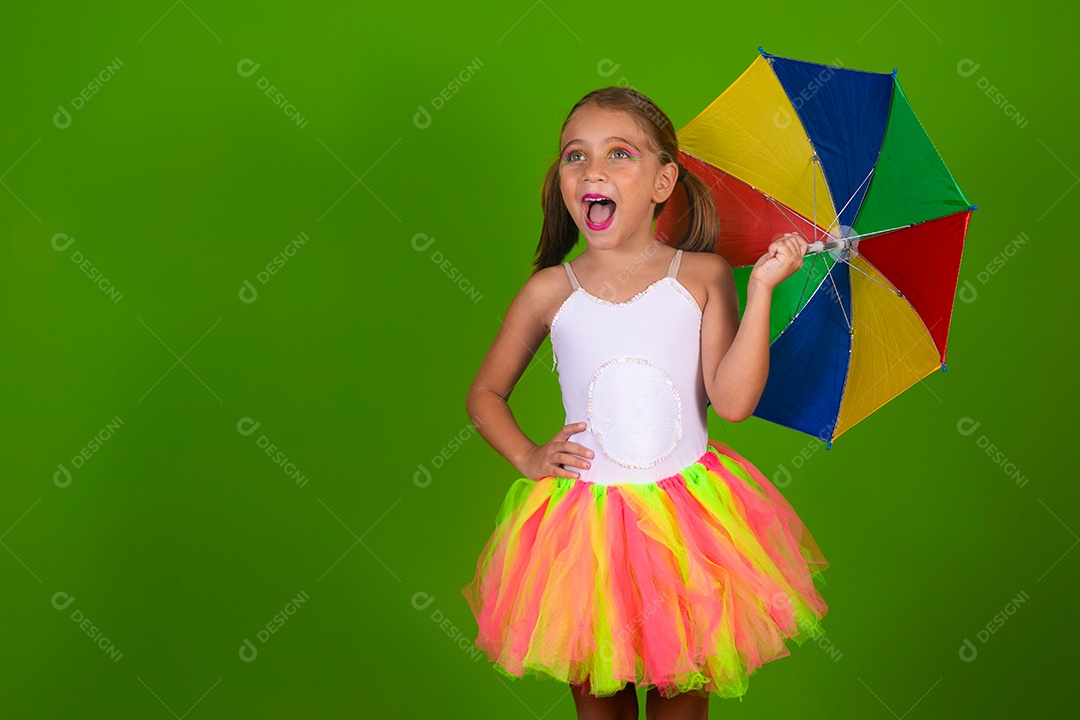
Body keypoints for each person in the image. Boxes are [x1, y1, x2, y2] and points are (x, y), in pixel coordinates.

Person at [461, 86, 828, 720]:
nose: (592, 170)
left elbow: (733, 402)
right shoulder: (550, 291)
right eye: (575, 157)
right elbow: (484, 394)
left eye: (619, 154)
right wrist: (526, 455)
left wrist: (762, 287)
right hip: (584, 536)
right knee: (597, 701)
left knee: (681, 700)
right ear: (561, 181)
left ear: (664, 181)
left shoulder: (704, 275)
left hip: (688, 531)